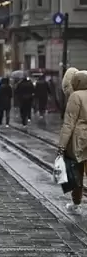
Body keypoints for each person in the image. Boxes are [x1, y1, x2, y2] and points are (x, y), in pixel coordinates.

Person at [58, 70, 87, 214]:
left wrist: (62, 145)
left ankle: (76, 204)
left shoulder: (75, 96)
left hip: (79, 140)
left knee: (77, 172)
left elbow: (68, 124)